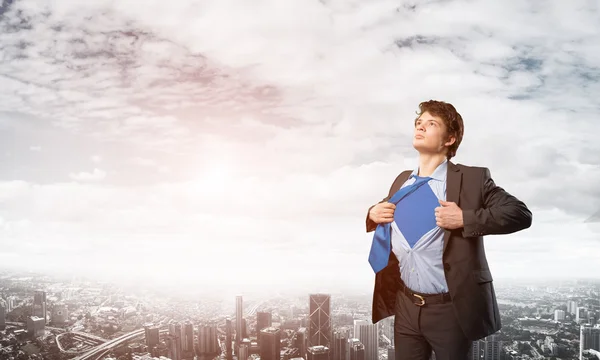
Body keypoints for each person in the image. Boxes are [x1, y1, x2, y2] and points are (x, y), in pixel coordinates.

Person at [365, 100, 532, 360]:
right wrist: (372, 213)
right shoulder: (401, 180)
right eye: (418, 123)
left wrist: (464, 218)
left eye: (431, 124)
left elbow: (519, 213)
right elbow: (388, 213)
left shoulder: (473, 179)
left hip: (450, 310)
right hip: (406, 305)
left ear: (450, 139)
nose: (420, 127)